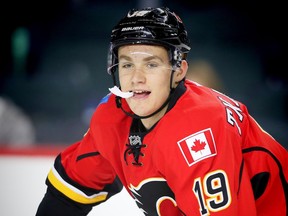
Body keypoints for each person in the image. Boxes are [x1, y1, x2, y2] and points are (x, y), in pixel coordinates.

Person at [36, 7, 288, 216]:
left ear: (178, 71)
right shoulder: (112, 115)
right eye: (127, 64)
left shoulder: (201, 128)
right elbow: (69, 192)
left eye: (151, 64)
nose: (136, 78)